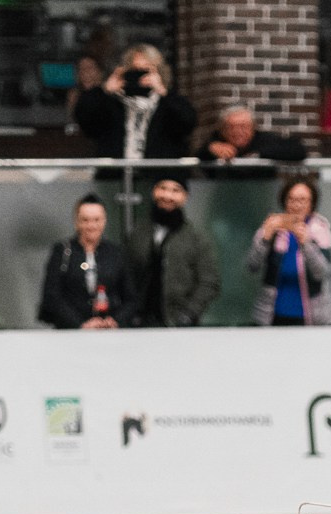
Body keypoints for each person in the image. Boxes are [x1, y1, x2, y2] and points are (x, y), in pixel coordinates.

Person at [72, 44, 197, 160]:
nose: (139, 77)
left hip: (157, 177)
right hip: (116, 177)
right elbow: (85, 119)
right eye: (135, 71)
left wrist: (163, 92)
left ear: (159, 72)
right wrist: (105, 90)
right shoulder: (112, 103)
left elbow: (188, 122)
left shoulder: (168, 103)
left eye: (145, 71)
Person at [246, 175, 331, 326]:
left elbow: (323, 273)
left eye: (303, 200)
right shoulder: (272, 228)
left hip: (314, 316)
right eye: (292, 199)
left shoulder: (319, 230)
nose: (297, 205)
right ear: (284, 201)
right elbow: (252, 266)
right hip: (272, 314)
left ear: (312, 203)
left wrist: (306, 244)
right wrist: (265, 239)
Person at [135, 170, 220, 327]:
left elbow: (209, 282)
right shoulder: (137, 233)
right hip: (141, 322)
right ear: (153, 191)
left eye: (175, 190)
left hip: (181, 322)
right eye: (163, 188)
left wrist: (188, 314)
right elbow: (128, 276)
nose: (168, 195)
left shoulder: (196, 237)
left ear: (185, 196)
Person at [38, 193, 134, 329]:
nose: (91, 226)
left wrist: (115, 320)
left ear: (104, 221)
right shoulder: (62, 251)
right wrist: (80, 324)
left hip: (108, 330)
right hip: (70, 331)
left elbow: (131, 297)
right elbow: (52, 295)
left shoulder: (116, 252)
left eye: (96, 220)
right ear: (76, 221)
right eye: (85, 220)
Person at [201, 105, 307, 168]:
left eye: (243, 127)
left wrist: (258, 155)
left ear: (253, 128)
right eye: (231, 127)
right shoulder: (217, 140)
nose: (238, 132)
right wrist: (210, 149)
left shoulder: (263, 140)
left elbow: (299, 150)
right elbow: (198, 155)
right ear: (223, 130)